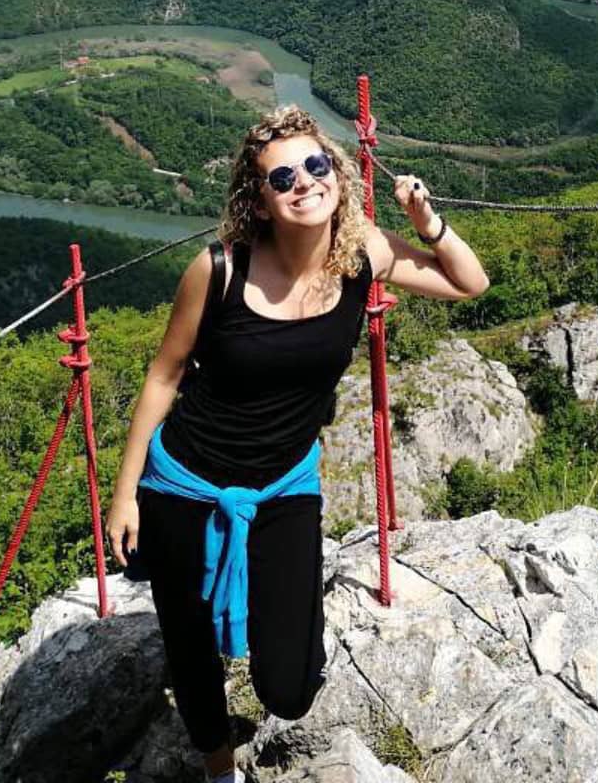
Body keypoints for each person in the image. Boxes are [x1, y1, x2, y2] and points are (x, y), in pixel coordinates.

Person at [104, 104, 490, 783]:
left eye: (317, 166)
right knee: (193, 653)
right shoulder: (219, 270)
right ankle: (219, 767)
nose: (304, 183)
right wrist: (124, 493)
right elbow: (164, 376)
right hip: (185, 485)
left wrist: (426, 220)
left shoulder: (364, 254)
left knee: (289, 688)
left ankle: (274, 677)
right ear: (257, 199)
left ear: (338, 175)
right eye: (282, 177)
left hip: (285, 486)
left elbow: (468, 282)